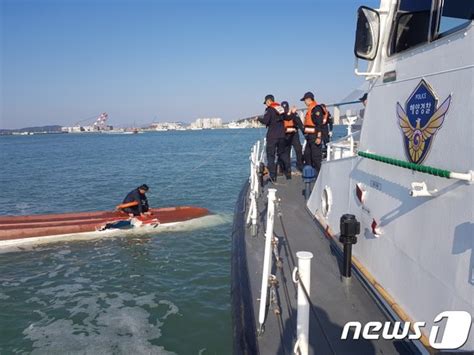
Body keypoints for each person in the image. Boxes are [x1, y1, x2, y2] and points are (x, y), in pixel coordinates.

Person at [258, 94, 291, 181]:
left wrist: (258, 119)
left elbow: (265, 121)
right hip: (281, 136)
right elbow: (287, 117)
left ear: (269, 101)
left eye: (266, 103)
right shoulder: (280, 108)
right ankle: (288, 173)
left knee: (271, 156)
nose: (266, 104)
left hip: (272, 136)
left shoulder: (269, 109)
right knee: (282, 154)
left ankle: (273, 176)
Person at [301, 91, 326, 177]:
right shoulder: (310, 109)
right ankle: (311, 172)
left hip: (315, 136)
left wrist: (319, 137)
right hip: (309, 137)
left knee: (316, 157)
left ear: (308, 99)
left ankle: (320, 175)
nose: (304, 102)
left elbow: (319, 124)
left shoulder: (316, 109)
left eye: (304, 100)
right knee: (307, 154)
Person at [281, 101, 304, 173]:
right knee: (286, 151)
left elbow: (300, 124)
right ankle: (286, 167)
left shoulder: (294, 114)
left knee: (298, 149)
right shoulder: (280, 115)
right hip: (285, 135)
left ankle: (300, 164)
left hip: (294, 134)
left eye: (286, 108)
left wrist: (305, 134)